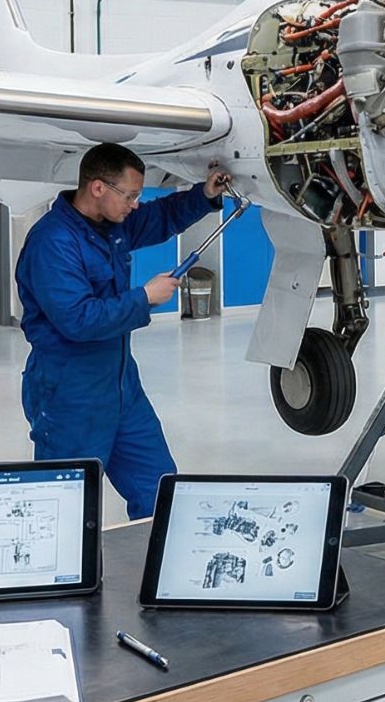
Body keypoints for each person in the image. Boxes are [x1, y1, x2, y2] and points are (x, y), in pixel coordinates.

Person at [17, 143, 231, 519]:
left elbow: (159, 217)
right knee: (65, 506)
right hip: (69, 392)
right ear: (98, 187)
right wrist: (144, 297)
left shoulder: (111, 224)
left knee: (160, 490)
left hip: (120, 386)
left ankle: (157, 571)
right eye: (130, 195)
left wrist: (204, 195)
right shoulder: (53, 242)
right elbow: (78, 320)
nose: (134, 204)